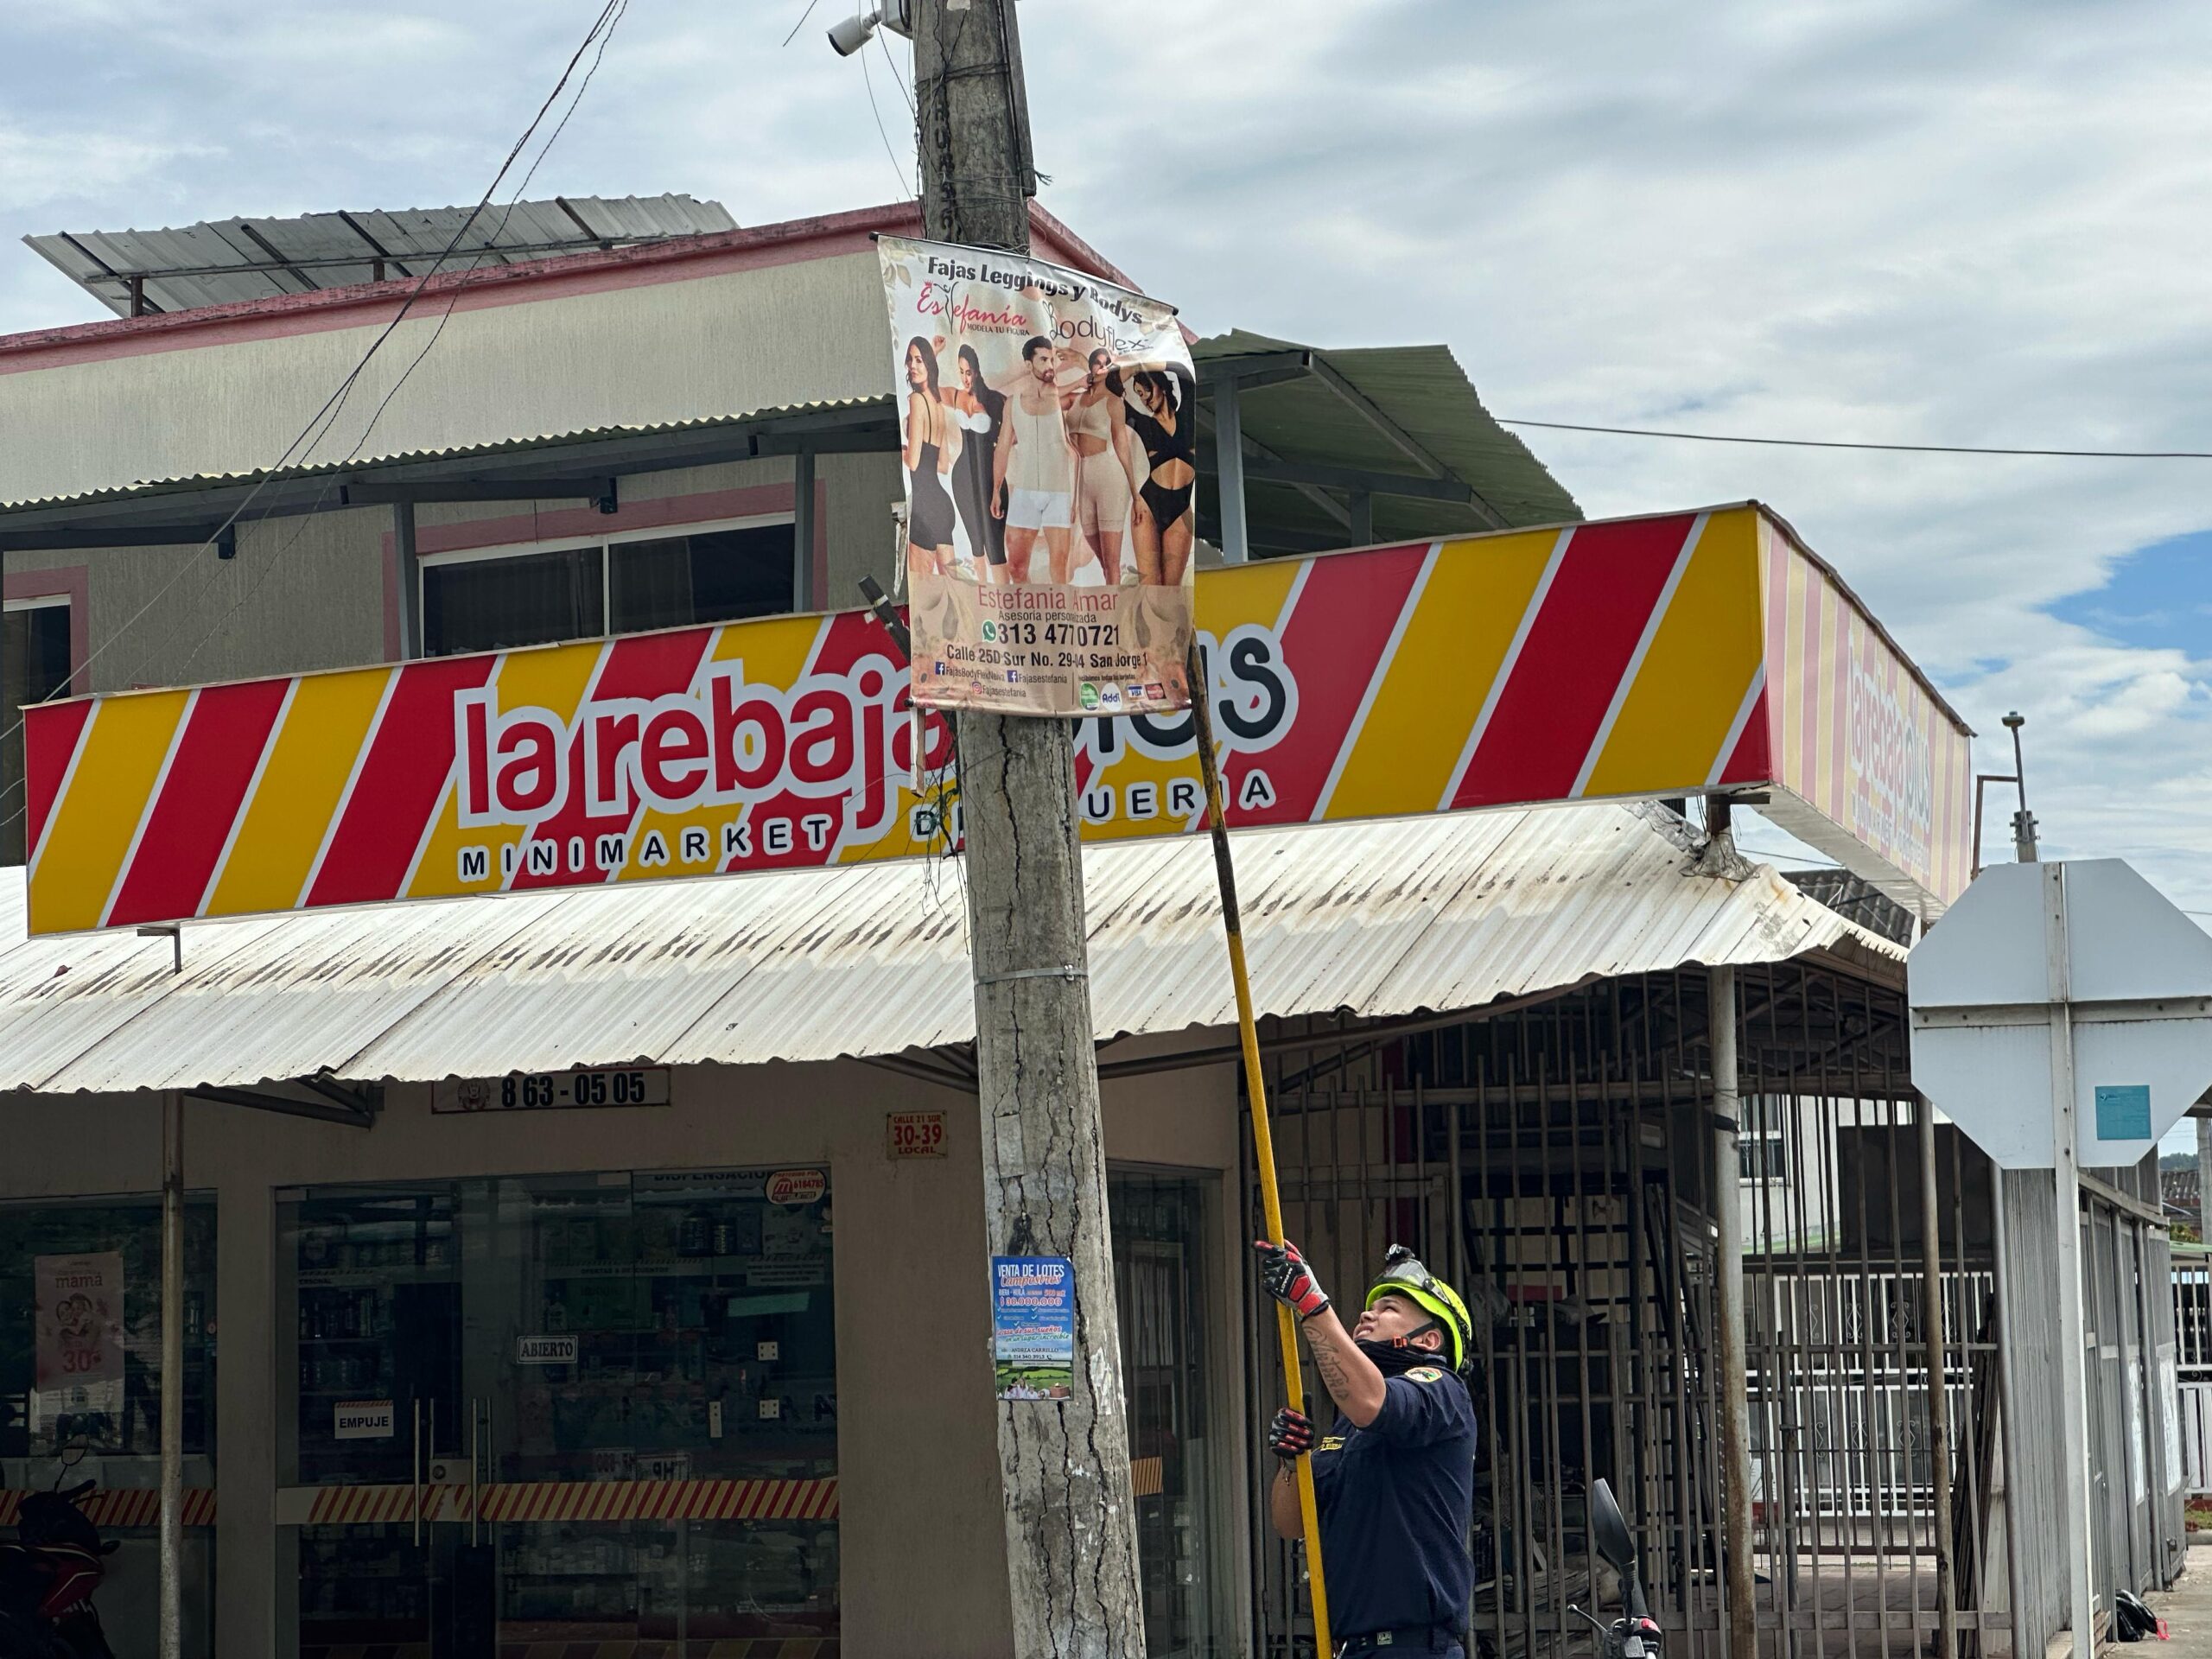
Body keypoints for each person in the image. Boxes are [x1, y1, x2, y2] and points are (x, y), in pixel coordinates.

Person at [1257, 1239, 1478, 1658]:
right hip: (1353, 1648)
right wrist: (1291, 1463)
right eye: (1370, 1308)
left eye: (1388, 1309)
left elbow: (1374, 1402)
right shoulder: (1350, 1424)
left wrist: (1311, 1304)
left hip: (1414, 1648)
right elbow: (1291, 1524)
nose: (1366, 1314)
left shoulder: (1442, 1391)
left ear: (1429, 1340)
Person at [991, 335, 1078, 584]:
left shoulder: (1062, 398)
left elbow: (1096, 383)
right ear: (1029, 365)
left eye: (1051, 359)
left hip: (1059, 492)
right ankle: (1029, 608)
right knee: (1016, 568)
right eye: (1043, 360)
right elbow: (1002, 448)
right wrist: (996, 490)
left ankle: (1061, 611)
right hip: (1025, 492)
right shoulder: (1013, 403)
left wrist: (1079, 361)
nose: (1050, 365)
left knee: (1060, 569)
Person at [1117, 360, 1198, 587]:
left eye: (1146, 389)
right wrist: (1134, 369)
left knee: (1171, 590)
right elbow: (1112, 388)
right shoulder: (1142, 423)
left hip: (1181, 508)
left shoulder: (1187, 414)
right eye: (1139, 394)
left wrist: (1147, 365)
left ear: (1160, 384)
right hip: (1148, 506)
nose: (1145, 398)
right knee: (1151, 587)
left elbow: (1184, 371)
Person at [1067, 346, 1134, 585]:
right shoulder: (1076, 399)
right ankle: (1114, 599)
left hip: (1109, 474)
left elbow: (1122, 445)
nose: (1101, 368)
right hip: (1083, 476)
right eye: (1098, 362)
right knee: (1103, 560)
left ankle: (1114, 605)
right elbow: (1051, 396)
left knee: (1112, 561)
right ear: (1091, 365)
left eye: (1107, 364)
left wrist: (1136, 494)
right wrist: (1078, 378)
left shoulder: (1114, 402)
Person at [944, 343, 1008, 580]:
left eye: (968, 372)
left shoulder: (995, 400)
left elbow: (1008, 441)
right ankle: (981, 596)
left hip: (991, 477)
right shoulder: (956, 395)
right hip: (962, 476)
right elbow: (928, 388)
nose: (965, 378)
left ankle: (1006, 599)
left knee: (996, 549)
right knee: (975, 545)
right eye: (961, 372)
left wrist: (997, 489)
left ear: (977, 372)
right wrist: (936, 351)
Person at [901, 336, 962, 581]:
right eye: (910, 360)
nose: (912, 366)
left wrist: (901, 450)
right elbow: (943, 465)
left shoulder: (916, 401)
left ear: (927, 364)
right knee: (954, 589)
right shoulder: (938, 405)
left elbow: (914, 462)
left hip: (925, 508)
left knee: (923, 591)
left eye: (919, 360)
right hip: (942, 506)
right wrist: (931, 354)